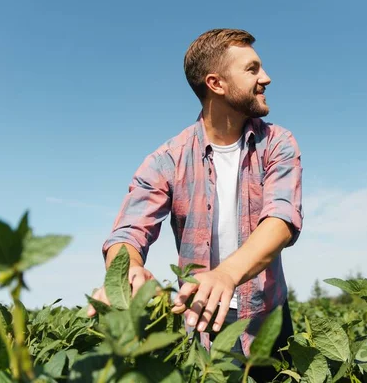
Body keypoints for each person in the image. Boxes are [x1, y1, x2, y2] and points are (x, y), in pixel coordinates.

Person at [87, 28, 303, 381]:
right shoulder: (167, 160)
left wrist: (226, 274)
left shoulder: (277, 143)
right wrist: (126, 271)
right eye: (252, 69)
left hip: (268, 317)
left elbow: (280, 220)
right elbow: (129, 231)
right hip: (202, 321)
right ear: (216, 84)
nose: (266, 78)